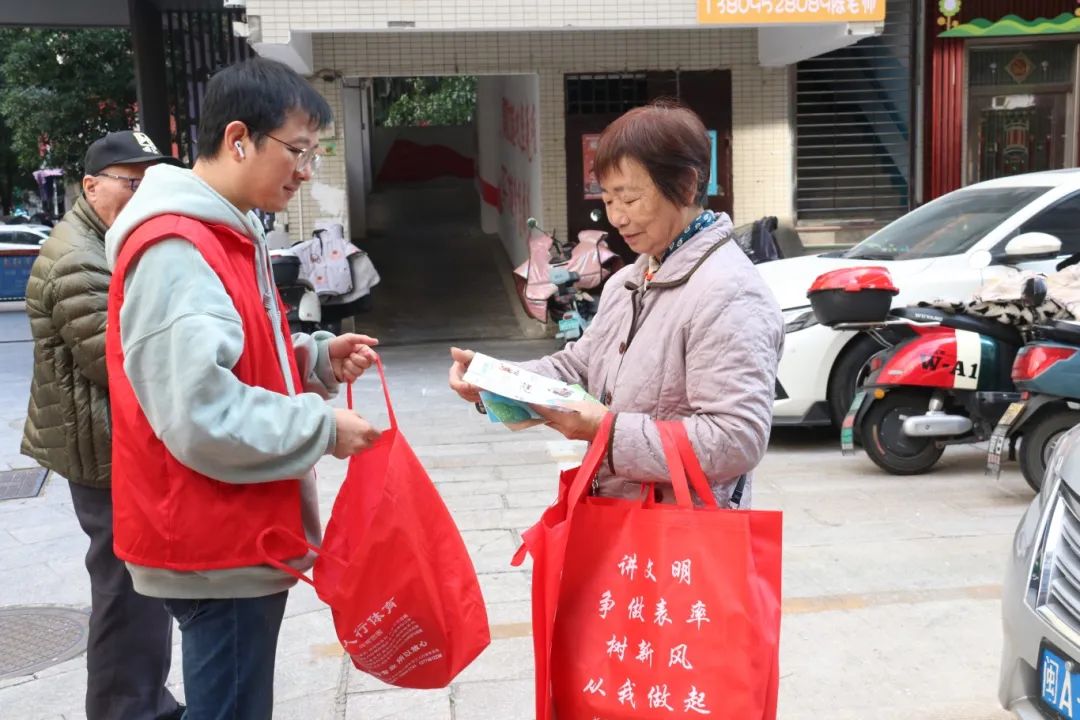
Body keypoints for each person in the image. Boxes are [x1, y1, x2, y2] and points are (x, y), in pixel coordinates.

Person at [103, 57, 381, 719]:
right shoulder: (179, 247)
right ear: (238, 139)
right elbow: (200, 410)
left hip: (233, 531)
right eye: (298, 150)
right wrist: (322, 428)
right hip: (214, 542)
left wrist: (312, 359)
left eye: (314, 153)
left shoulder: (226, 232)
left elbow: (231, 358)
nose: (306, 169)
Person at [450, 102, 783, 506]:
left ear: (687, 184)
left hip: (679, 539)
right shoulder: (628, 281)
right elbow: (580, 367)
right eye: (608, 200)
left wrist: (606, 431)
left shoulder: (729, 292)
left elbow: (736, 439)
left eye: (629, 198)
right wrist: (493, 380)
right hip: (621, 518)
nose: (617, 218)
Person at [22, 130, 185, 720]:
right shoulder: (77, 259)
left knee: (142, 590)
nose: (143, 196)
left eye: (151, 184)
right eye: (131, 184)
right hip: (102, 454)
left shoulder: (108, 242)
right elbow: (115, 358)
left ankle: (145, 704)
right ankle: (126, 712)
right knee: (126, 592)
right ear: (90, 186)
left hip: (109, 445)